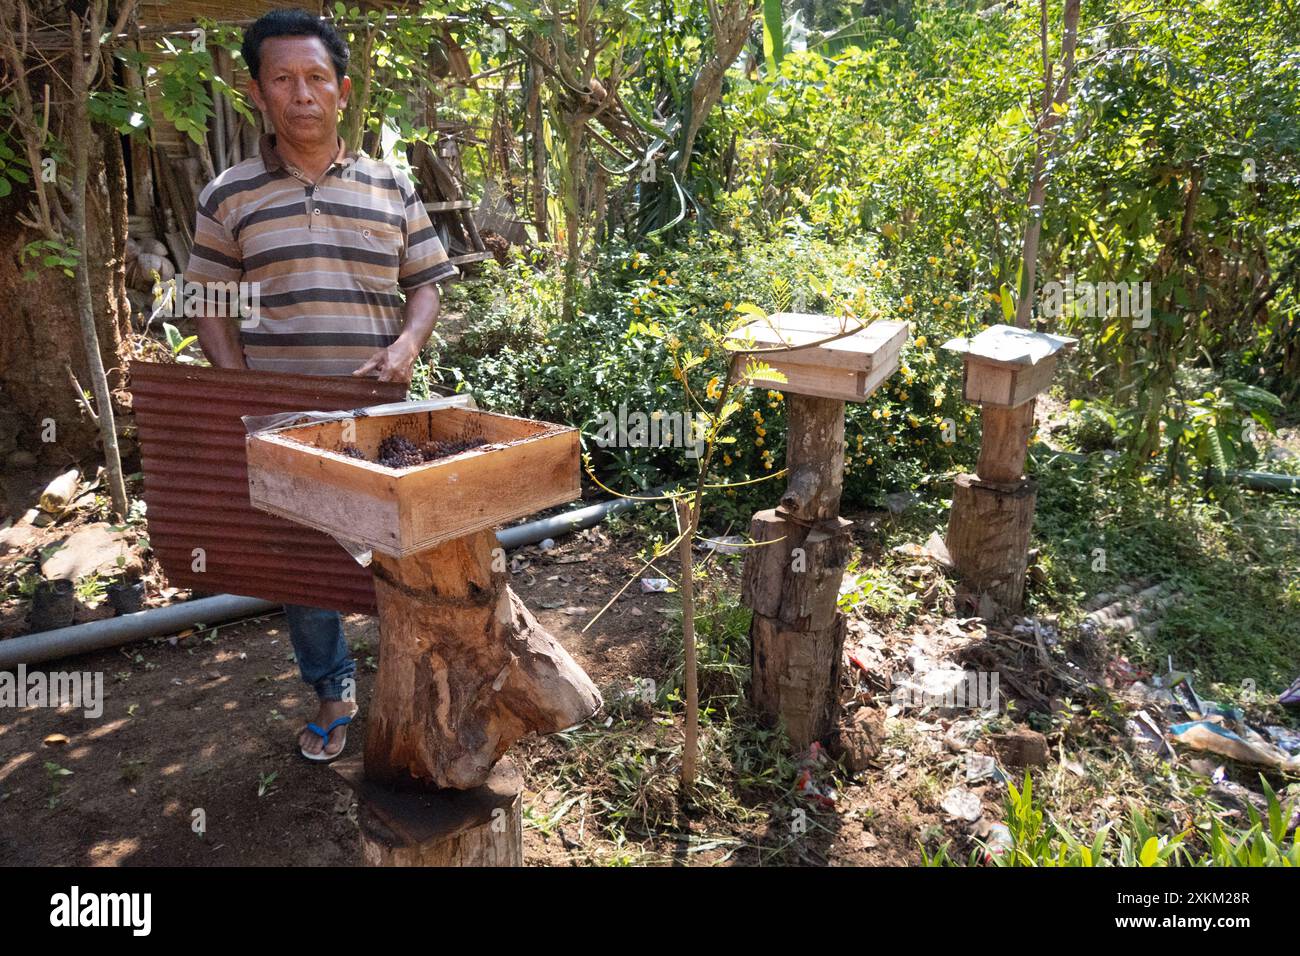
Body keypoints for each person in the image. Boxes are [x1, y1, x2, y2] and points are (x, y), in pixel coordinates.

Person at [188, 8, 457, 761]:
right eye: (283, 79)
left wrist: (407, 344)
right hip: (285, 424)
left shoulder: (390, 185)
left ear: (341, 89)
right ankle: (335, 692)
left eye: (315, 78)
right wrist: (240, 394)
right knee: (305, 569)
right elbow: (207, 301)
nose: (301, 93)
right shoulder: (228, 195)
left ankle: (422, 681)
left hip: (383, 418)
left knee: (405, 549)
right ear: (258, 92)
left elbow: (429, 281)